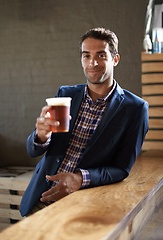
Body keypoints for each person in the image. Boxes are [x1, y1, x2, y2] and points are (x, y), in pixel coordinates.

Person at [20, 27, 149, 217]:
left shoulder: (135, 108)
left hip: (81, 205)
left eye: (101, 55)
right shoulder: (65, 94)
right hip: (40, 199)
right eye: (86, 55)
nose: (92, 62)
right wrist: (41, 136)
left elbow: (121, 169)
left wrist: (80, 179)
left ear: (115, 59)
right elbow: (33, 151)